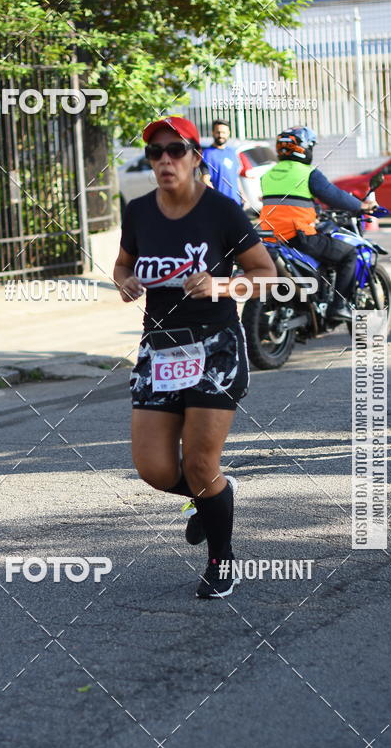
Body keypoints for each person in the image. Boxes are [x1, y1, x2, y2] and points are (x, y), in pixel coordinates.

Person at [113, 116, 278, 599]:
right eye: (155, 152)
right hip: (159, 349)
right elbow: (124, 263)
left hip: (215, 346)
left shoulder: (222, 211)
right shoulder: (139, 211)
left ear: (194, 157)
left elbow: (266, 275)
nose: (165, 159)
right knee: (155, 469)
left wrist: (221, 284)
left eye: (175, 150)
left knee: (202, 462)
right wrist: (125, 281)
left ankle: (222, 560)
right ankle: (213, 501)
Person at [259, 127, 375, 323]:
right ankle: (340, 306)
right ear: (304, 148)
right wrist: (361, 206)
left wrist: (315, 211)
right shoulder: (308, 173)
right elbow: (334, 196)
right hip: (299, 237)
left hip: (270, 238)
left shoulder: (267, 175)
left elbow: (287, 203)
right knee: (349, 254)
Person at [200, 119, 244, 206]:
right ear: (213, 132)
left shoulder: (232, 152)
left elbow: (236, 177)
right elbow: (205, 180)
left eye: (224, 132)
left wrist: (242, 195)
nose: (220, 135)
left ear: (228, 133)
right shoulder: (206, 154)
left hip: (236, 203)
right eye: (218, 132)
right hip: (219, 205)